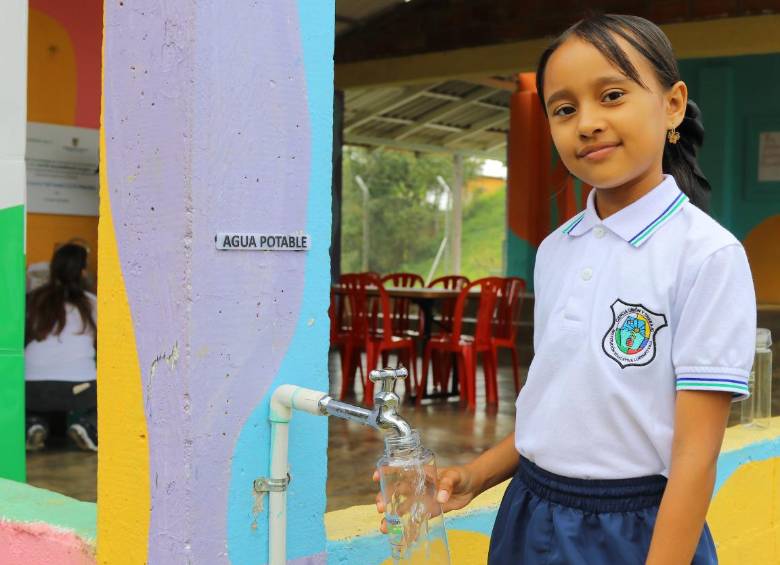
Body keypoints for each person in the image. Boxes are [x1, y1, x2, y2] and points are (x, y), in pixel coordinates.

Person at [375, 14, 756, 564]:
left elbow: (695, 460)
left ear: (672, 105)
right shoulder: (556, 249)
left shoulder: (706, 255)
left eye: (613, 95)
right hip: (530, 512)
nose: (588, 123)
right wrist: (475, 476)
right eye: (564, 109)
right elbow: (556, 409)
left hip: (638, 531)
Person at [25, 243, 98, 452]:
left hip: (32, 387)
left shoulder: (34, 299)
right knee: (107, 386)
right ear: (83, 272)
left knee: (38, 403)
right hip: (78, 389)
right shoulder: (91, 303)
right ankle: (86, 424)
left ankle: (34, 423)